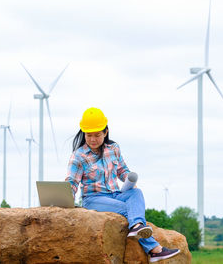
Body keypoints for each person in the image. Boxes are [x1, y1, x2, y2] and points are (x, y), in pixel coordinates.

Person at [65, 107, 180, 263]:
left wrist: (130, 181)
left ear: (105, 132)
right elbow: (72, 182)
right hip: (93, 198)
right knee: (129, 210)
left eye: (97, 135)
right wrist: (64, 202)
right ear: (83, 133)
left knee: (137, 193)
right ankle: (154, 249)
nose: (93, 139)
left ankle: (137, 227)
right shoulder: (78, 156)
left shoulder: (114, 149)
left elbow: (122, 170)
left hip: (115, 194)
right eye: (89, 135)